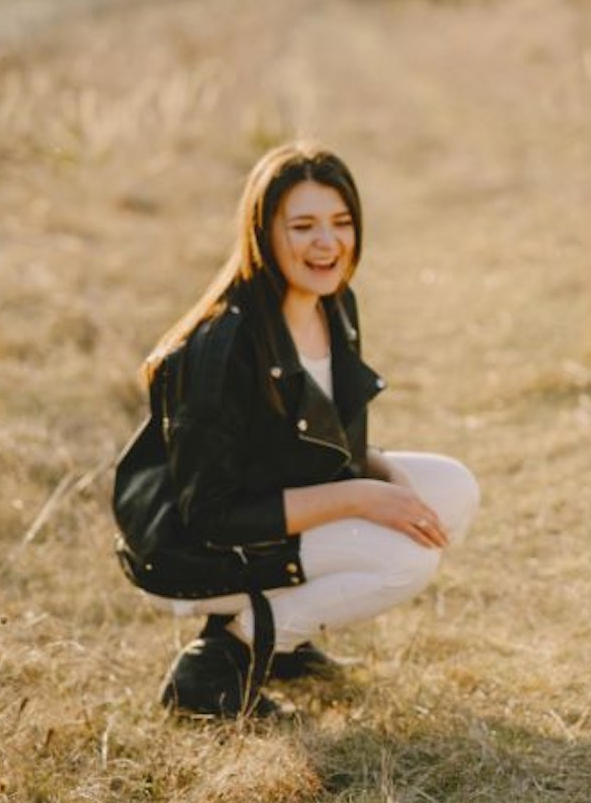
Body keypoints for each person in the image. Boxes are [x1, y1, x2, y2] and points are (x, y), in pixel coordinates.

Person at [112, 142, 479, 718]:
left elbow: (307, 442)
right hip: (191, 548)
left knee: (452, 489)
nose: (327, 243)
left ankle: (280, 643)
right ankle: (220, 661)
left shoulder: (334, 305)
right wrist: (362, 495)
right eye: (303, 226)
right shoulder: (223, 346)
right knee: (405, 561)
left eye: (341, 223)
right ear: (264, 233)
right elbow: (208, 513)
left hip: (263, 512)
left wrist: (384, 472)